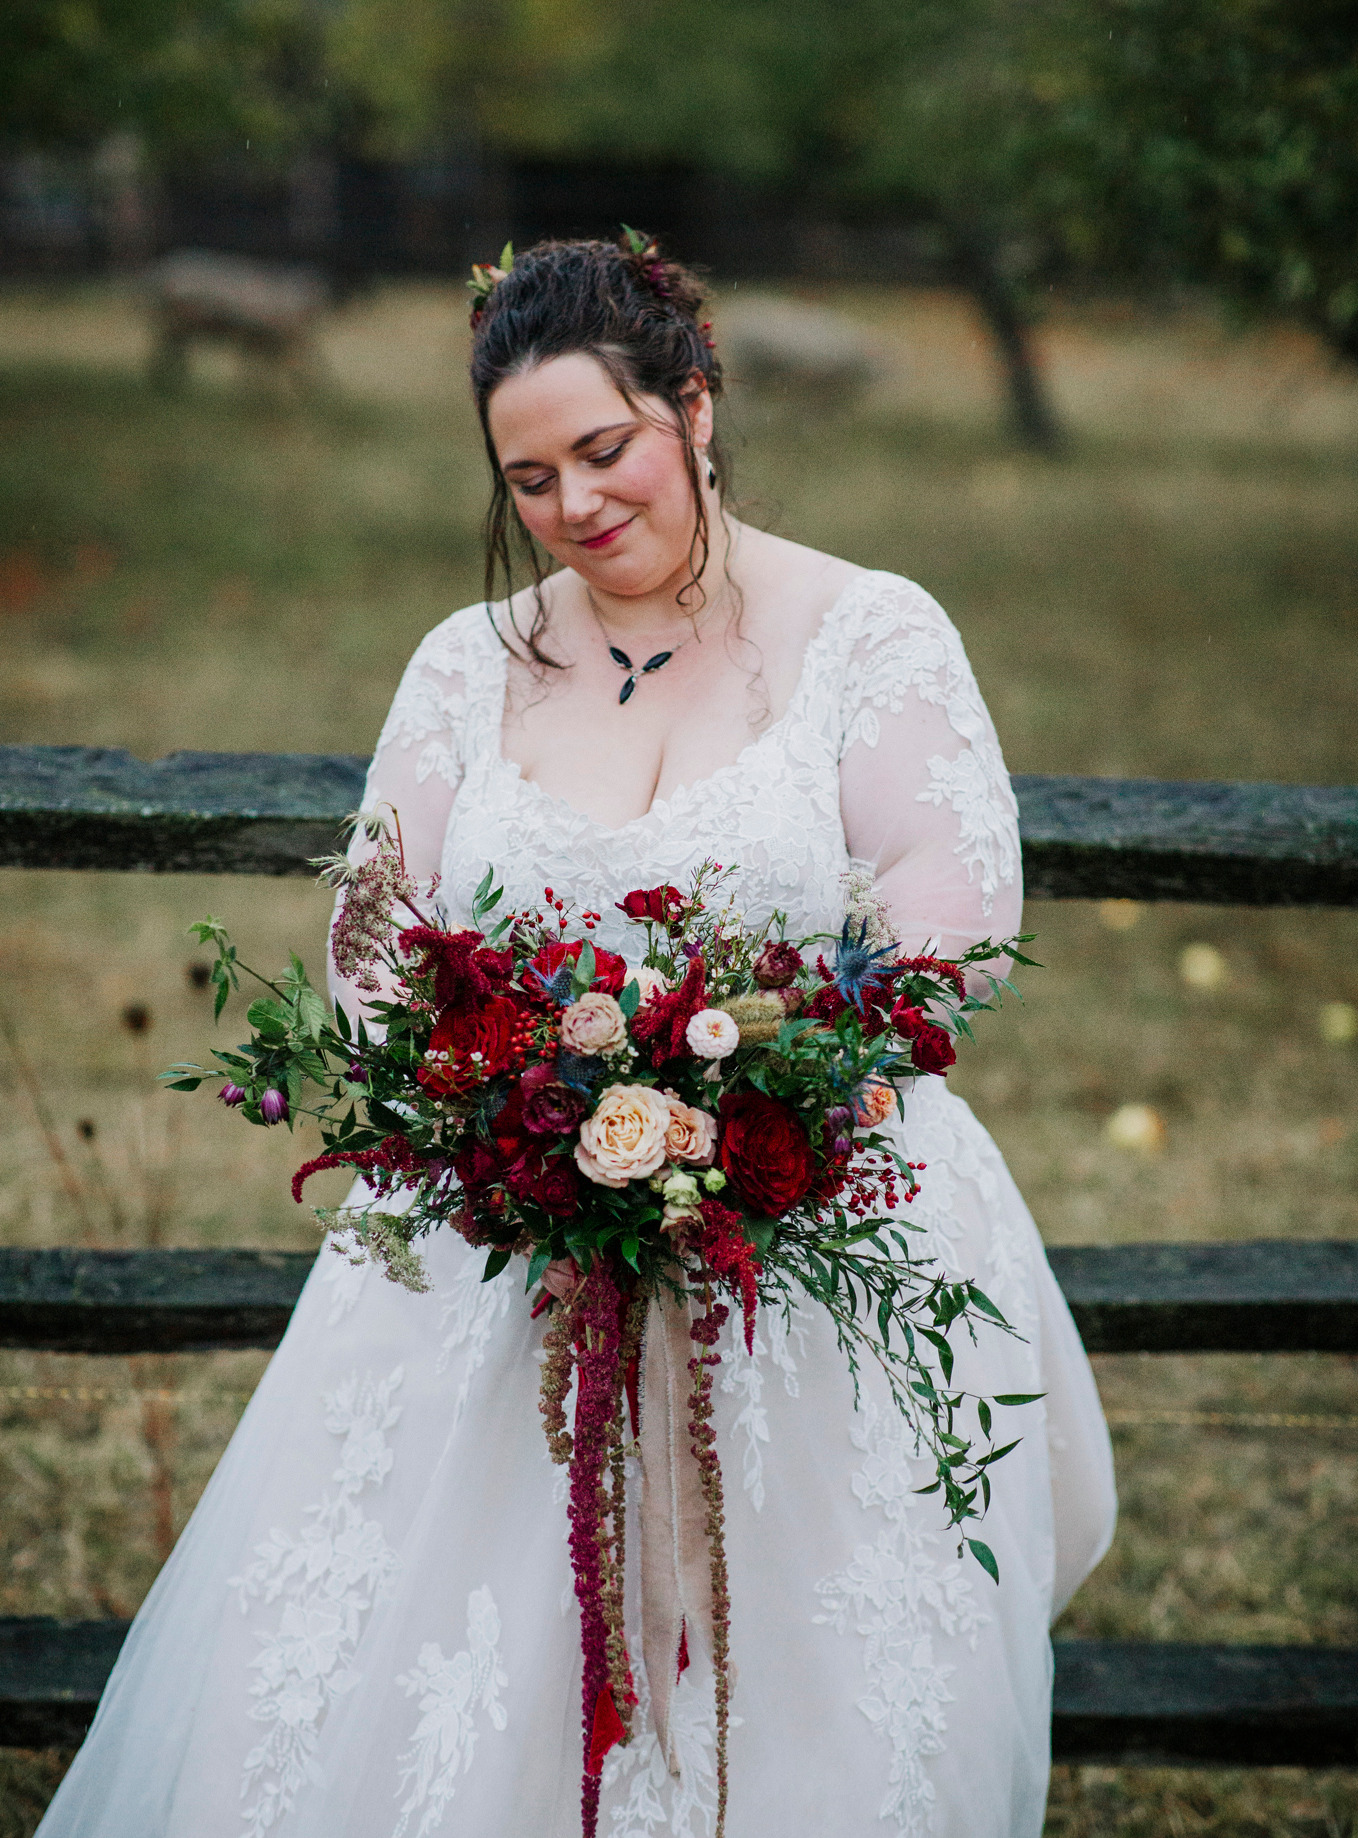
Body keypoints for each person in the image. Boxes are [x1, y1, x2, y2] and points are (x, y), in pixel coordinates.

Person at [36, 233, 1115, 1838]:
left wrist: (753, 1085)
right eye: (529, 477)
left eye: (605, 450)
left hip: (810, 1221)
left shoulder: (870, 632)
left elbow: (947, 915)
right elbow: (373, 930)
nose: (576, 503)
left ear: (695, 403)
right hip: (505, 1236)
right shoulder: (464, 663)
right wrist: (493, 1104)